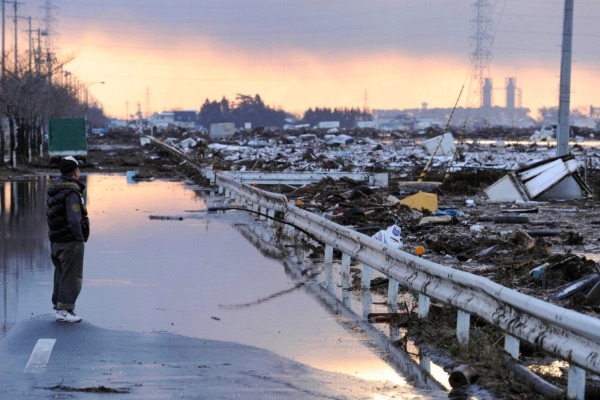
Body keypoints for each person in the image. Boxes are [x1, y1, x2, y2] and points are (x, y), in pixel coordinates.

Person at [46, 156, 90, 322]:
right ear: (74, 172)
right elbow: (74, 219)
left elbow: (49, 214)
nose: (79, 172)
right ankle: (65, 310)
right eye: (78, 169)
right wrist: (79, 238)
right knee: (72, 276)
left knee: (60, 274)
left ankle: (58, 307)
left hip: (56, 240)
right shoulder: (71, 192)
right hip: (70, 241)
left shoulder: (54, 189)